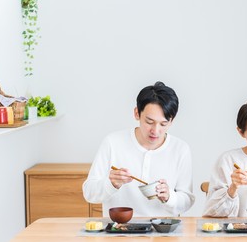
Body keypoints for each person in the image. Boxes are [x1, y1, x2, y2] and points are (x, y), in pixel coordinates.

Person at [83, 81, 195, 217]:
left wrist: (169, 197)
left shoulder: (180, 149)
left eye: (163, 124)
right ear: (137, 113)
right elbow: (89, 193)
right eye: (149, 122)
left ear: (171, 121)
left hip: (163, 233)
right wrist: (111, 184)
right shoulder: (112, 142)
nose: (156, 130)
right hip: (119, 231)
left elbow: (187, 200)